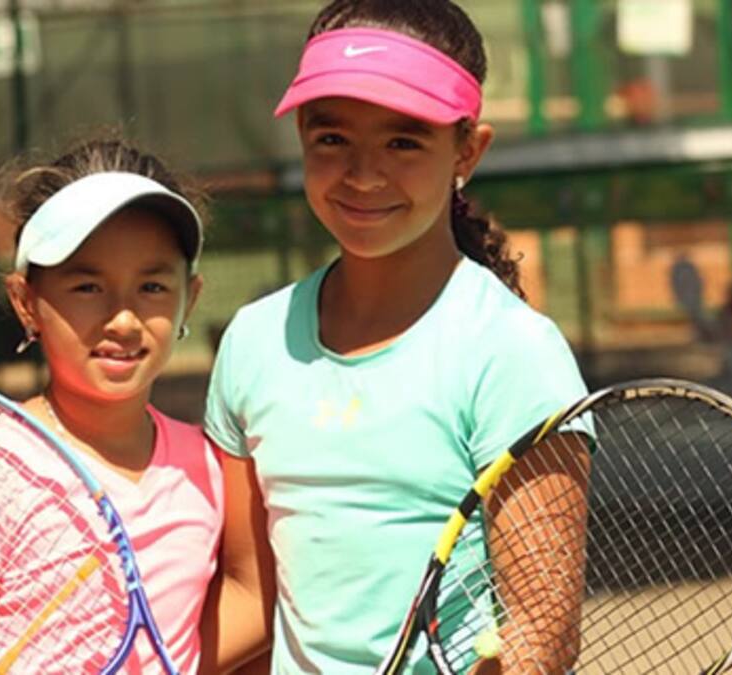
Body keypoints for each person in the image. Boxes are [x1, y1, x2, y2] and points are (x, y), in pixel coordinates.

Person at [201, 2, 591, 673]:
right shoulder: (252, 342)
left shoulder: (514, 353)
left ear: (468, 150)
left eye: (403, 143)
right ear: (301, 135)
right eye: (332, 139)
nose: (363, 175)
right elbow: (251, 597)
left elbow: (540, 636)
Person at [0, 137, 223, 674]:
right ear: (25, 301)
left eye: (153, 286)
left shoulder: (209, 467)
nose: (124, 320)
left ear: (191, 298)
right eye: (88, 287)